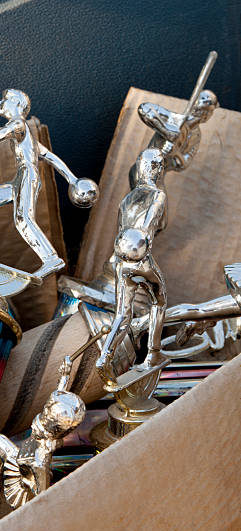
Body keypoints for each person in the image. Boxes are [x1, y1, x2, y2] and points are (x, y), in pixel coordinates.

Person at [0, 89, 98, 279]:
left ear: (16, 104)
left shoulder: (18, 124)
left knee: (23, 219)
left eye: (4, 100)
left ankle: (50, 258)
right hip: (21, 178)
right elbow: (49, 157)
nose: (1, 102)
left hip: (27, 175)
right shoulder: (27, 133)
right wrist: (71, 178)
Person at [96, 149, 168, 376]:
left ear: (139, 169)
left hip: (121, 263)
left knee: (121, 315)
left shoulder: (126, 199)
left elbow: (120, 231)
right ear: (157, 170)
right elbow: (153, 226)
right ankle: (153, 352)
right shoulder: (158, 196)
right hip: (141, 259)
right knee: (160, 301)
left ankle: (105, 355)